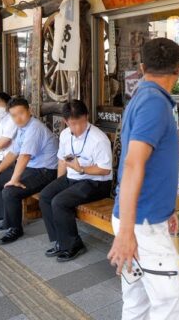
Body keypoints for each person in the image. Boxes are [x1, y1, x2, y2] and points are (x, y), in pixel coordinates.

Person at [108, 37, 179, 319]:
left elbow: (151, 164)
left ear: (142, 67)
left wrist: (169, 208)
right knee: (171, 305)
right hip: (142, 225)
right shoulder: (154, 103)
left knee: (137, 301)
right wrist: (128, 232)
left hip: (142, 218)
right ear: (178, 70)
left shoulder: (145, 97)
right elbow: (132, 165)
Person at [40, 100, 112, 262]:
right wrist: (58, 183)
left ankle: (73, 244)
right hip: (73, 177)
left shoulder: (98, 139)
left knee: (59, 202)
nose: (77, 128)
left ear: (86, 117)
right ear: (66, 122)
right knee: (46, 195)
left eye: (80, 123)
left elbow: (105, 169)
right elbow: (61, 160)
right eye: (72, 124)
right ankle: (59, 240)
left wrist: (82, 169)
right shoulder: (65, 135)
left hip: (96, 182)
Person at [0, 97, 58, 245]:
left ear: (29, 110)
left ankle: (14, 229)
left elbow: (24, 156)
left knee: (10, 191)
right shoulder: (21, 128)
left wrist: (14, 179)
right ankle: (6, 219)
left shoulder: (34, 128)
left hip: (46, 171)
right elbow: (13, 153)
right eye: (14, 115)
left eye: (21, 113)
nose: (18, 118)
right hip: (32, 168)